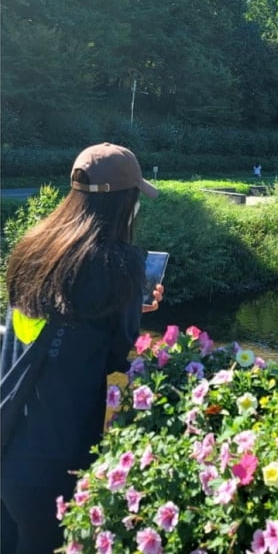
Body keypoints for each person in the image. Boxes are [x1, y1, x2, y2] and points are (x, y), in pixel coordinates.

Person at [0, 142, 164, 554]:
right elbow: (115, 356)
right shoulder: (120, 264)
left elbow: (53, 319)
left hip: (6, 432)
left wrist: (124, 303)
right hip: (53, 450)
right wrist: (130, 306)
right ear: (125, 201)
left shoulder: (35, 246)